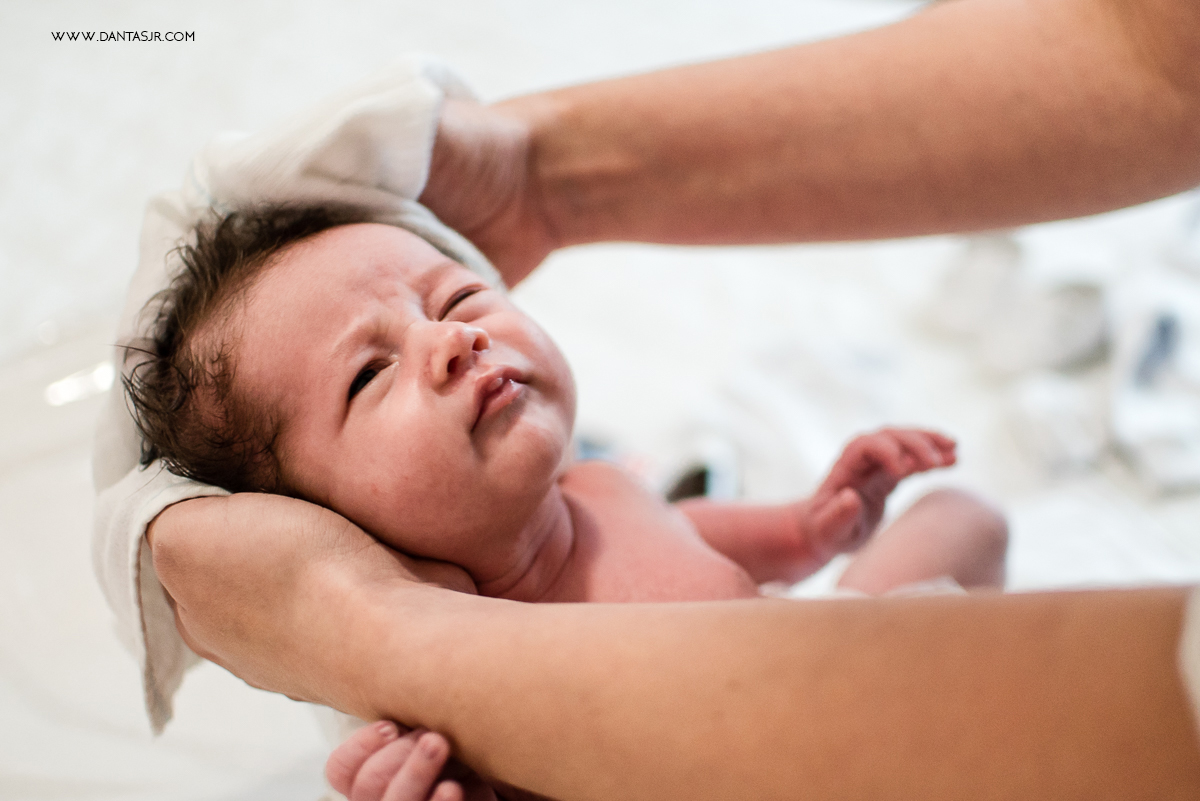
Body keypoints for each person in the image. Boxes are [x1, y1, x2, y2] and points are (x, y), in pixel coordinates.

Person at [114, 0, 1200, 797]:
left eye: (452, 295)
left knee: (967, 518)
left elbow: (697, 540)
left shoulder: (601, 486)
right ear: (317, 526)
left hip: (849, 674)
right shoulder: (458, 666)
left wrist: (809, 526)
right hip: (768, 752)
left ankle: (1002, 679)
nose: (449, 342)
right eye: (368, 373)